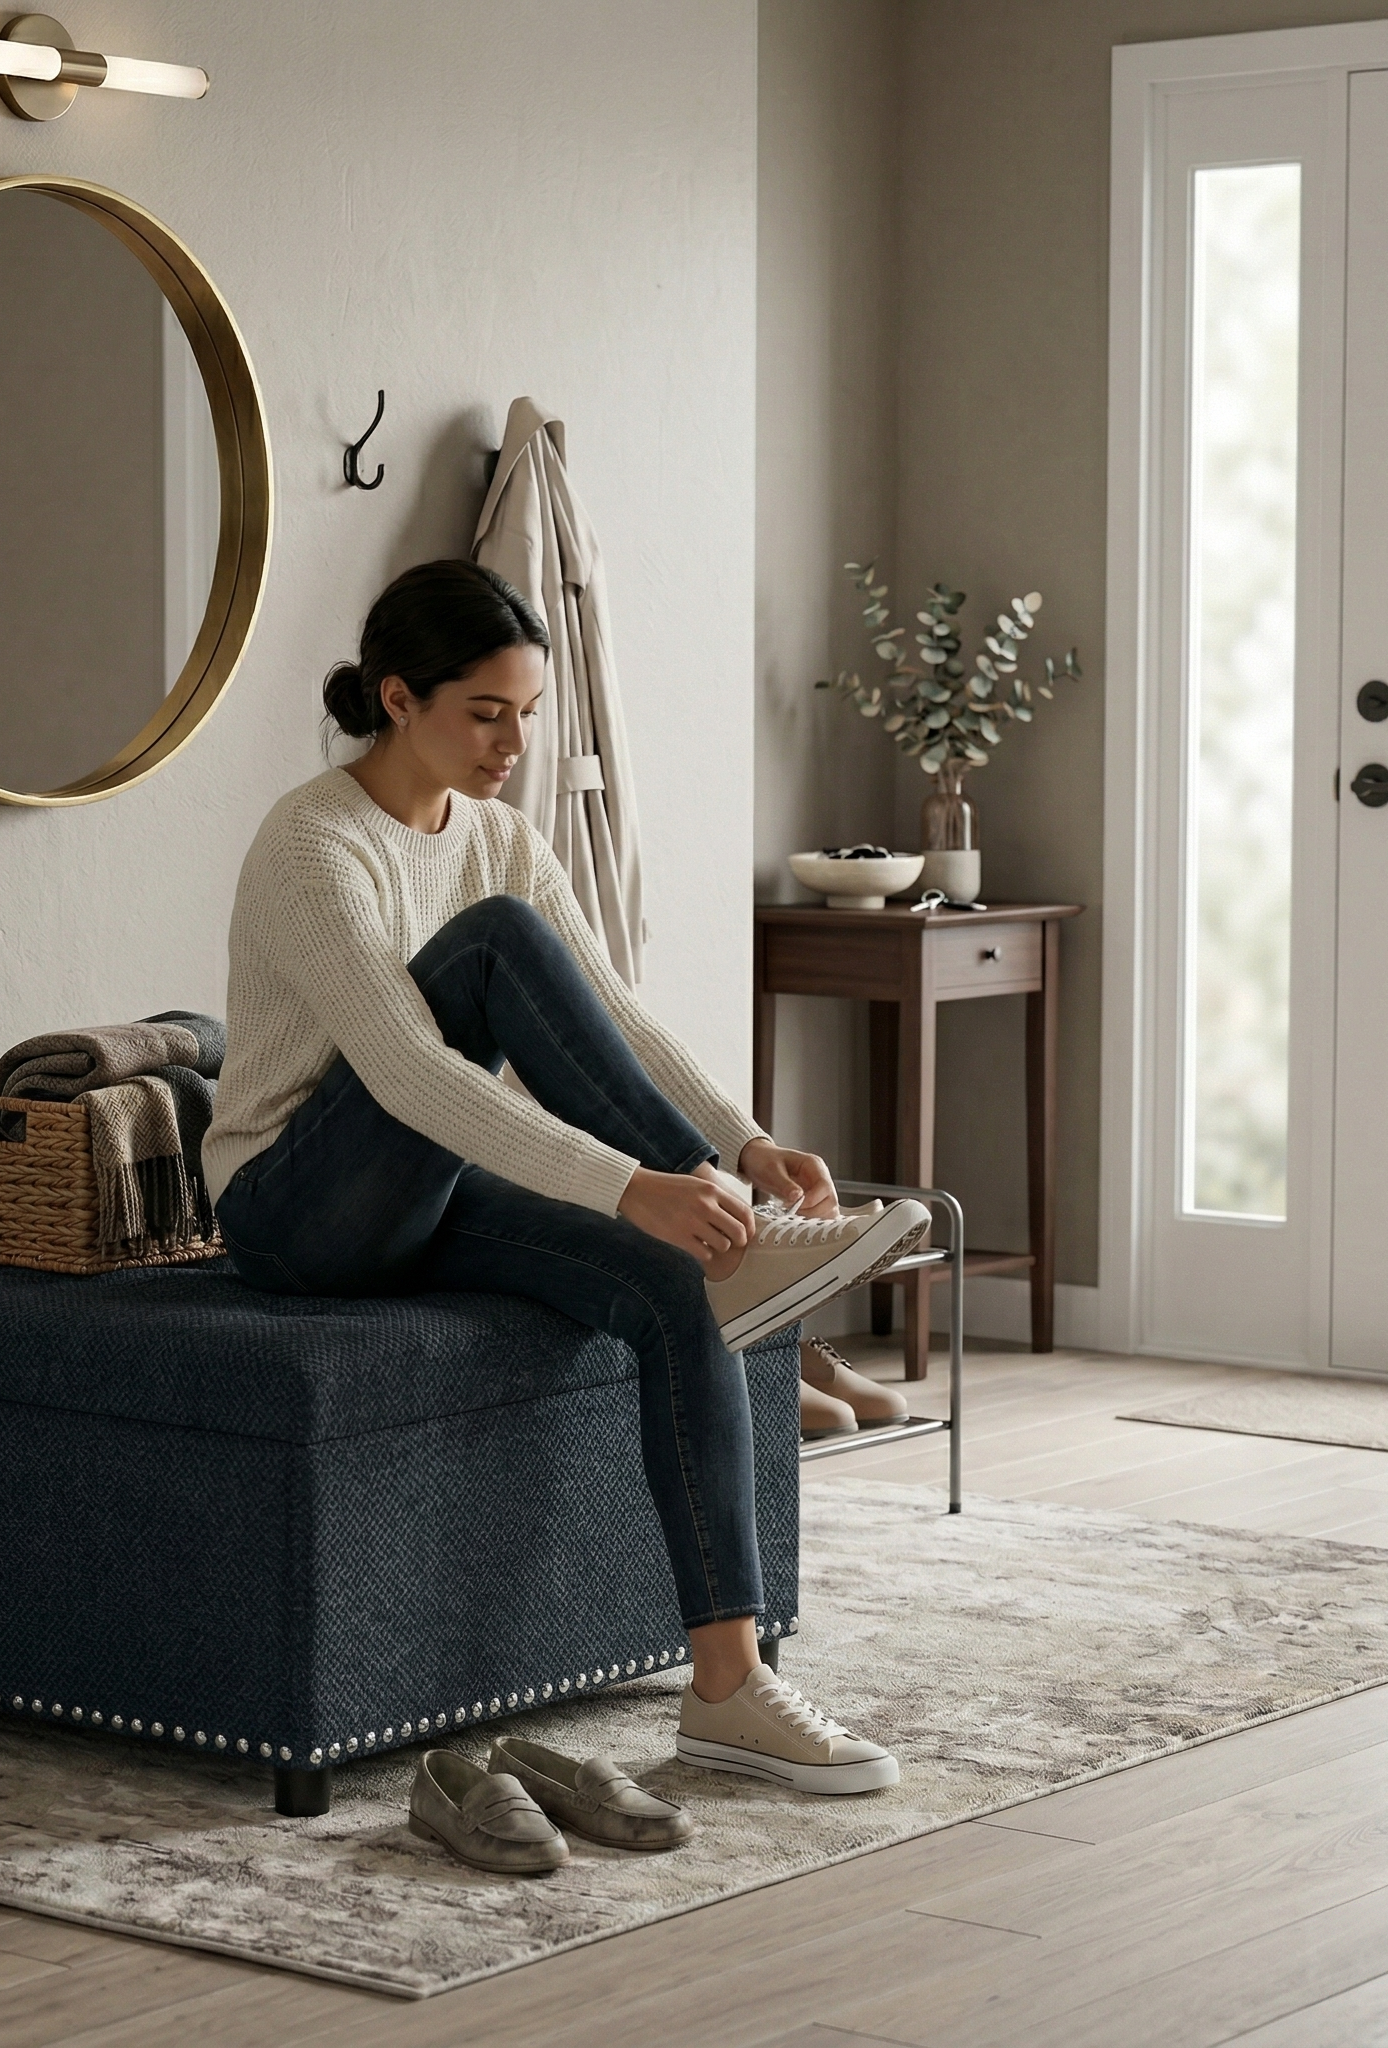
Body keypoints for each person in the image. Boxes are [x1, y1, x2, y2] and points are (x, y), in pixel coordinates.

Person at [204, 559, 926, 1801]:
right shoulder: (311, 844)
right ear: (396, 696)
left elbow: (614, 1018)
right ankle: (735, 1232)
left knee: (662, 1279)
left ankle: (725, 1691)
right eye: (486, 711)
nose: (514, 742)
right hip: (293, 1210)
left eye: (527, 712)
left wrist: (742, 1144)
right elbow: (410, 1075)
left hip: (418, 1192)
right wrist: (626, 1179)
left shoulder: (498, 835)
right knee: (500, 945)